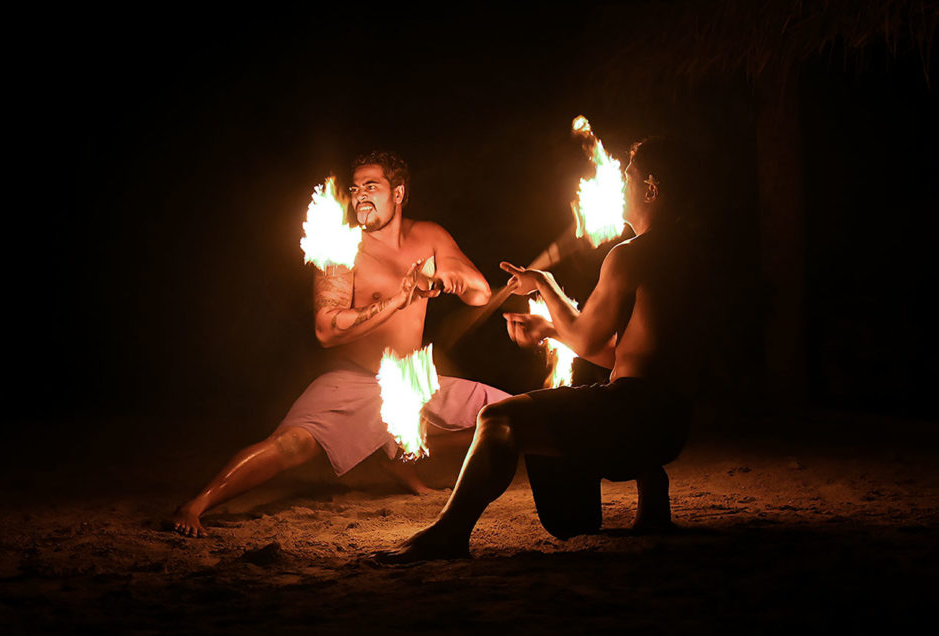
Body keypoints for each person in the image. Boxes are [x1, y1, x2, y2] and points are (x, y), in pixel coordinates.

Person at [374, 137, 708, 562]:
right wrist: (552, 329)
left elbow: (587, 340)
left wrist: (545, 285)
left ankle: (448, 533)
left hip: (634, 420)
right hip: (672, 423)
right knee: (600, 396)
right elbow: (628, 357)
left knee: (497, 418)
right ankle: (653, 505)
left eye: (629, 175)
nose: (620, 183)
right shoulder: (690, 254)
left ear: (652, 189)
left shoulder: (630, 256)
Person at [171, 150, 509, 537]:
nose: (360, 195)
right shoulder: (340, 248)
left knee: (506, 414)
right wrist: (396, 300)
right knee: (290, 445)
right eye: (355, 188)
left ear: (398, 193)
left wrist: (451, 273)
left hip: (411, 381)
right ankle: (195, 504)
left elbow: (480, 294)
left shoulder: (429, 235)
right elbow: (326, 330)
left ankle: (400, 457)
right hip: (352, 381)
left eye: (371, 186)